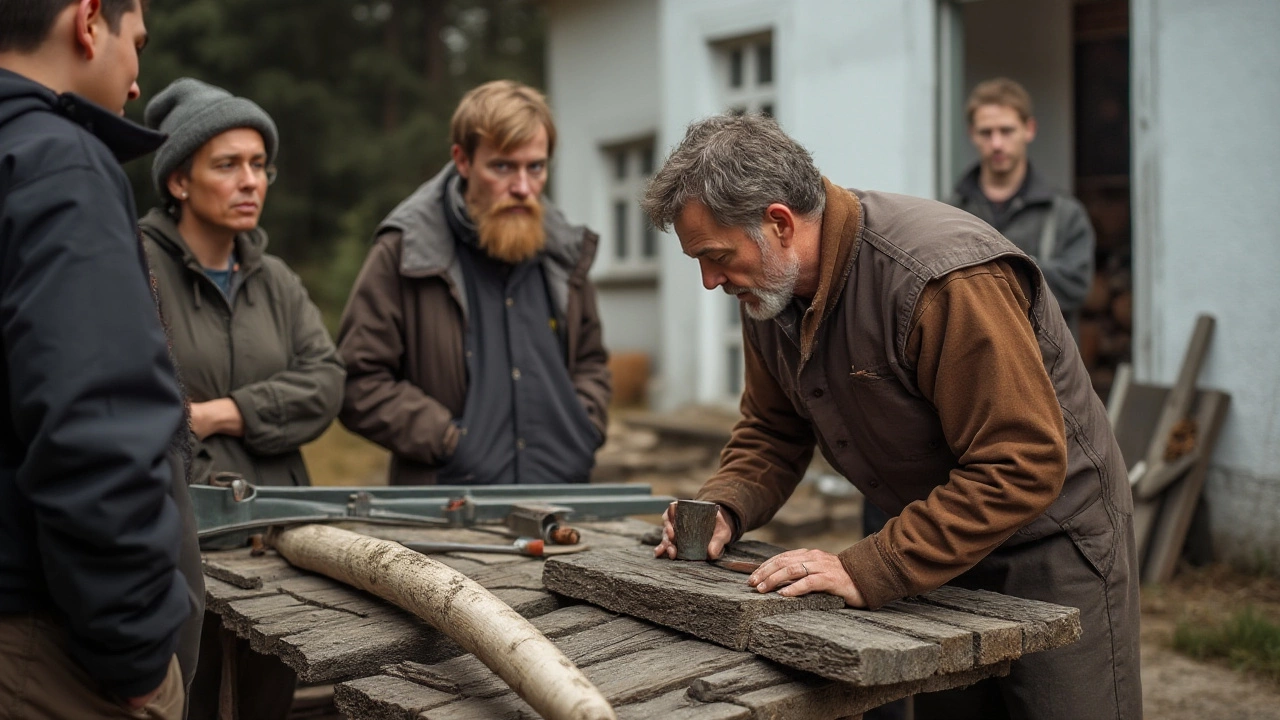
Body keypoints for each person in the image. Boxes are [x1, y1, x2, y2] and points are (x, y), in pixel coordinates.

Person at [644, 114, 1140, 720]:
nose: (709, 280)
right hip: (936, 541)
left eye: (716, 256)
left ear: (778, 223)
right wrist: (723, 506)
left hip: (1052, 547)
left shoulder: (940, 278)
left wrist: (872, 566)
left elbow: (1022, 462)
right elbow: (773, 430)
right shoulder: (767, 295)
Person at [0, 0, 191, 717]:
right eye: (136, 42)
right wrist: (138, 658)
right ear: (88, 21)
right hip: (42, 650)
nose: (138, 80)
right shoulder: (57, 162)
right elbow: (94, 432)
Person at [138, 77, 345, 720]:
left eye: (259, 165)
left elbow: (326, 382)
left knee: (269, 704)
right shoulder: (134, 264)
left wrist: (220, 412)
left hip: (283, 545)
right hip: (181, 546)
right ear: (178, 180)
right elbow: (144, 406)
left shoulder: (275, 278)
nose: (250, 180)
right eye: (227, 164)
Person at [338, 80, 610, 486]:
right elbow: (358, 381)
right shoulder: (407, 251)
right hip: (447, 511)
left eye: (535, 167)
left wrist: (581, 429)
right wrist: (450, 440)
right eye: (502, 166)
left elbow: (591, 362)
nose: (522, 188)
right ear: (462, 161)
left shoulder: (565, 252)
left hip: (563, 503)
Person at [949, 77, 1095, 337]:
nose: (996, 144)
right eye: (986, 132)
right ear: (972, 134)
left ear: (1029, 129)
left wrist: (992, 272)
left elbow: (1075, 287)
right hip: (970, 365)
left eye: (1006, 131)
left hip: (1043, 369)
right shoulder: (950, 212)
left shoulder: (1064, 214)